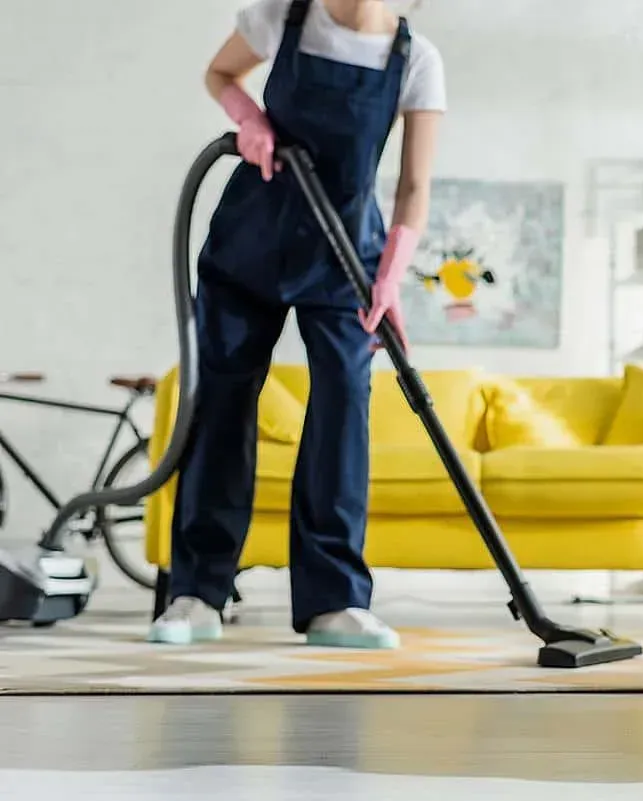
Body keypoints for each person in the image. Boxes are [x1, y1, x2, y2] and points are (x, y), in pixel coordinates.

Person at [148, 0, 445, 649]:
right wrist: (246, 116)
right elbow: (220, 74)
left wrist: (393, 270)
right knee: (221, 405)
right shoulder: (282, 17)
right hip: (249, 240)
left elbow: (414, 186)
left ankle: (334, 601)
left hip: (343, 255)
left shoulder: (415, 59)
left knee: (343, 411)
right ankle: (197, 592)